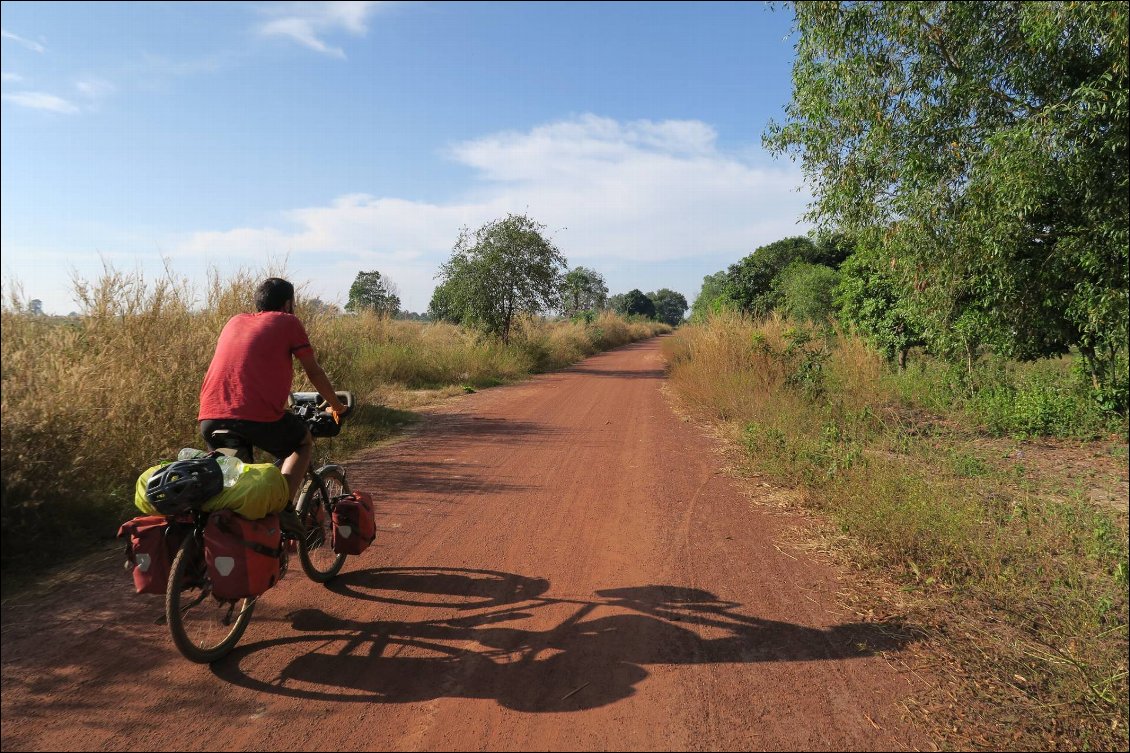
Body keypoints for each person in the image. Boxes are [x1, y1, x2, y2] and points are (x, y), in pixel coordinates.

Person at [197, 277, 347, 533]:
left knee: (237, 490)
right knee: (302, 442)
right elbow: (314, 372)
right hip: (253, 419)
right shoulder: (287, 321)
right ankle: (284, 507)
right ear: (288, 304)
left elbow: (247, 371)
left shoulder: (234, 321)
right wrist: (336, 405)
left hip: (210, 417)